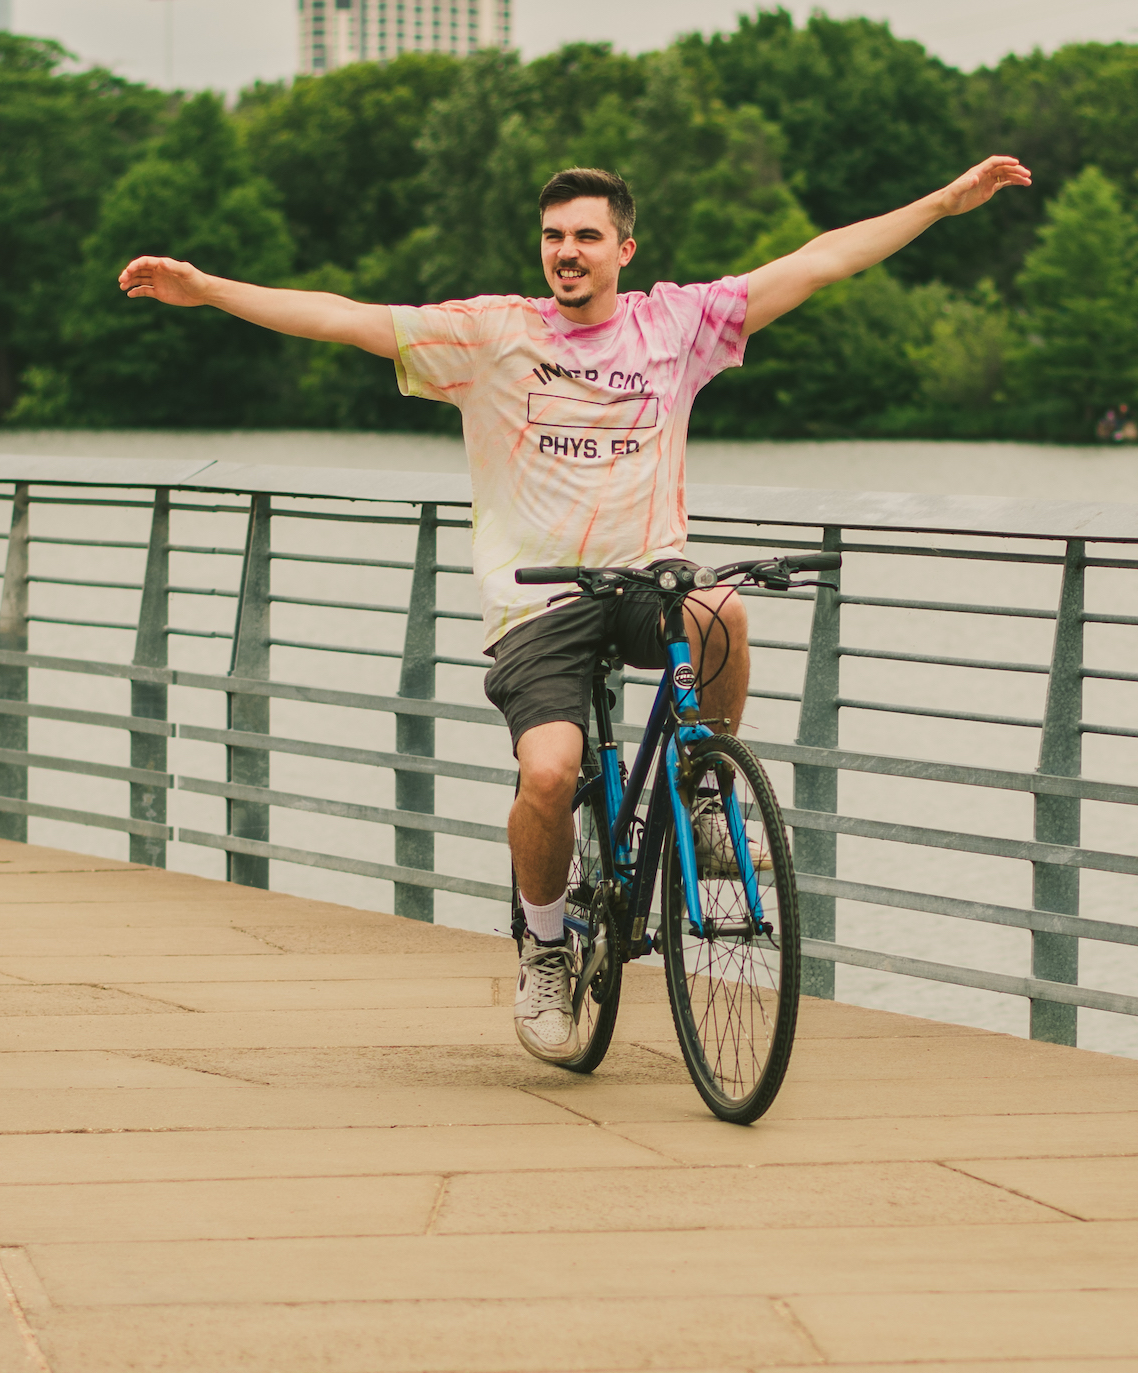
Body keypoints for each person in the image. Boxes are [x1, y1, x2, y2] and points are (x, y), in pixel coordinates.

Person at [118, 152, 1029, 1045]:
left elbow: (823, 259)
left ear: (624, 250)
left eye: (587, 235)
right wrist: (211, 288)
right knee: (550, 773)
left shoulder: (676, 326)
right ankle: (546, 949)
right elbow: (343, 318)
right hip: (538, 603)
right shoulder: (492, 336)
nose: (568, 251)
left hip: (645, 581)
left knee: (723, 611)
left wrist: (944, 203)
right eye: (554, 235)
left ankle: (706, 805)